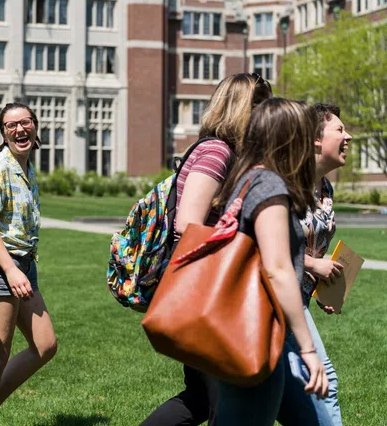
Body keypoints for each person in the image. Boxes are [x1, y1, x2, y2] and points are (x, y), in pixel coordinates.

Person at [141, 72, 273, 426]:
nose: (266, 117)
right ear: (242, 109)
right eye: (261, 107)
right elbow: (188, 224)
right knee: (222, 402)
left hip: (201, 288)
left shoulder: (226, 152)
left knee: (199, 399)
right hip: (203, 292)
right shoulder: (217, 152)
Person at [212, 98, 331, 425]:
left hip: (244, 331)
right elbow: (279, 271)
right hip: (255, 334)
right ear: (290, 139)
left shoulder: (248, 179)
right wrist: (308, 350)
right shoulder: (270, 187)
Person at [0, 102, 58, 426]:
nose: (19, 129)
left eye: (25, 122)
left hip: (23, 266)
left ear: (35, 126)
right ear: (3, 133)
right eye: (10, 125)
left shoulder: (26, 167)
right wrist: (10, 269)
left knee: (45, 345)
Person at [298, 103, 352, 426]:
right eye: (340, 130)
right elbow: (268, 245)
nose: (349, 136)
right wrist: (311, 265)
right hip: (276, 296)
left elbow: (313, 246)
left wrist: (321, 286)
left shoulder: (326, 188)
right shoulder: (289, 183)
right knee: (324, 380)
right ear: (316, 139)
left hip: (300, 298)